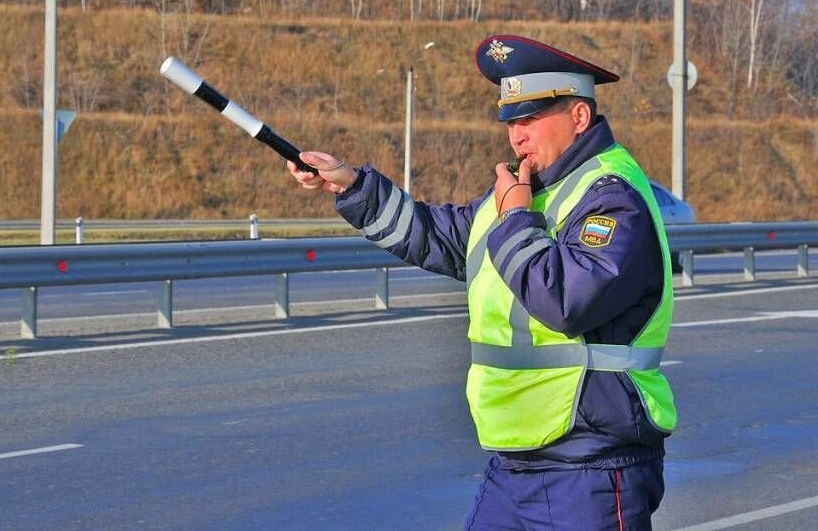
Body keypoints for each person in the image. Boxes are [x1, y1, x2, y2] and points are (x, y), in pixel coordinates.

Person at [287, 34, 677, 530]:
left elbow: (566, 301)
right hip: (514, 462)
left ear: (578, 117)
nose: (517, 137)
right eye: (512, 122)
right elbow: (438, 237)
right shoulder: (524, 192)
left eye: (531, 118)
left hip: (590, 464)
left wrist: (516, 219)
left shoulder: (609, 195)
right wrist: (353, 185)